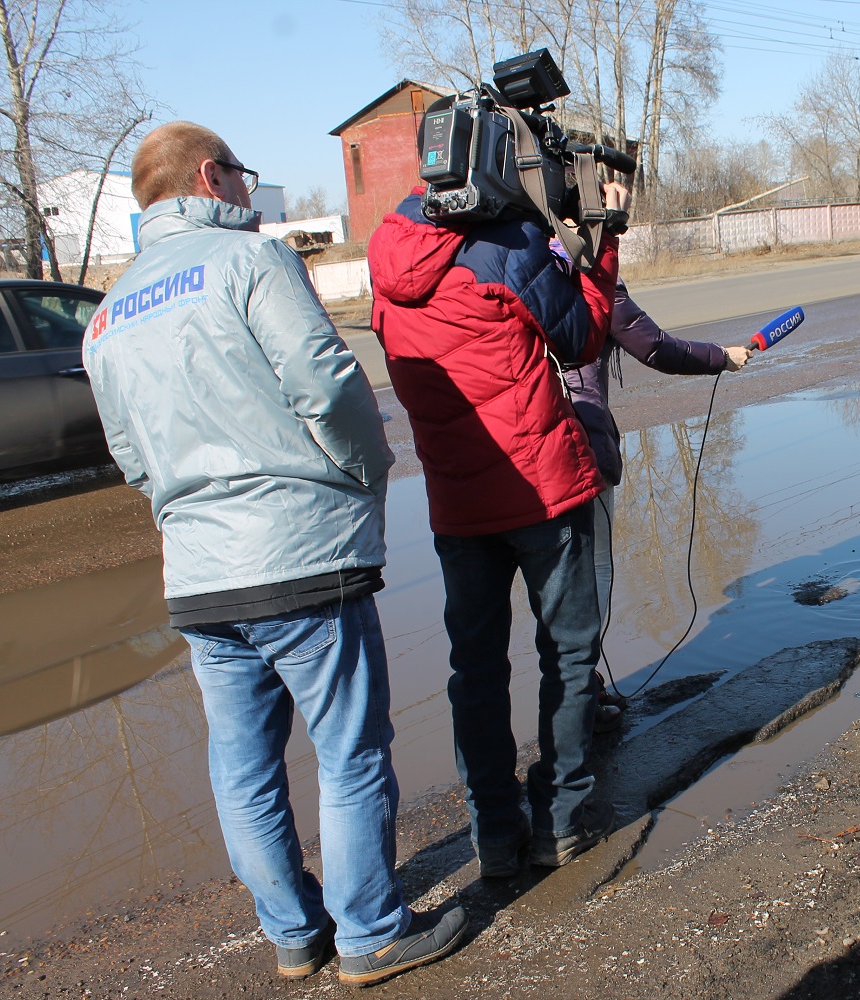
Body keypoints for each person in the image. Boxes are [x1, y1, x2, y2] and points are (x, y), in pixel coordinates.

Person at [82, 122, 466, 986]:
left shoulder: (107, 315)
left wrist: (185, 511)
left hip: (201, 576)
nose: (252, 194)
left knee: (243, 769)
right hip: (298, 555)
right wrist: (365, 473)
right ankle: (369, 934)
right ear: (210, 177)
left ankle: (294, 934)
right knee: (350, 751)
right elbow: (328, 384)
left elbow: (131, 453)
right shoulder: (251, 263)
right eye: (244, 177)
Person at [367, 122, 627, 877]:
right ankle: (562, 818)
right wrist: (599, 244)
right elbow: (581, 339)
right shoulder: (506, 246)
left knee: (475, 671)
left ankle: (494, 832)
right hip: (540, 491)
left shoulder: (386, 261)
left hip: (455, 502)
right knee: (569, 659)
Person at [559, 281, 751, 727]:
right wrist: (721, 356)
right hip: (576, 446)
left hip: (498, 456)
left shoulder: (495, 263)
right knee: (589, 571)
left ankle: (507, 764)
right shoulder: (589, 272)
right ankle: (578, 697)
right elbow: (657, 347)